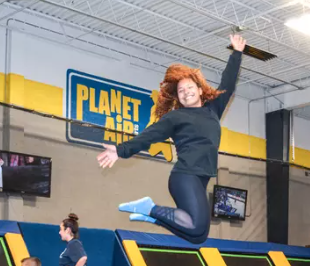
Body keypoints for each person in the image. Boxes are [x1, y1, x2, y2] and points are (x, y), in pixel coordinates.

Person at [96, 35, 247, 245]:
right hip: (185, 177)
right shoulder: (176, 117)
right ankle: (150, 207)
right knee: (194, 225)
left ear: (200, 90)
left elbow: (228, 83)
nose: (186, 93)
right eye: (181, 91)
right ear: (177, 97)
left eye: (189, 88)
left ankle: (153, 216)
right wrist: (120, 150)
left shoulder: (213, 110)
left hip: (201, 178)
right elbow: (149, 136)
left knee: (199, 235)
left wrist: (237, 54)